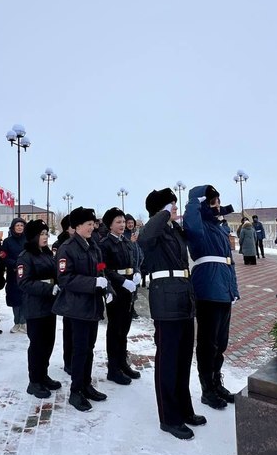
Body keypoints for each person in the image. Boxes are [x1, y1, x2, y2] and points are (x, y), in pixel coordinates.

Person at [140, 188, 206, 440]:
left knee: (182, 358)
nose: (175, 211)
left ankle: (184, 409)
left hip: (183, 297)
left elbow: (196, 232)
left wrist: (195, 207)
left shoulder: (173, 230)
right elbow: (145, 238)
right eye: (172, 207)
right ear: (161, 210)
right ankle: (169, 417)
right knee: (167, 361)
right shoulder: (153, 229)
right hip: (166, 299)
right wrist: (163, 213)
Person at [183, 185, 238, 411]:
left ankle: (216, 382)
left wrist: (232, 290)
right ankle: (207, 390)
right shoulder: (200, 226)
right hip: (207, 288)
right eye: (212, 202)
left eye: (218, 202)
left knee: (221, 341)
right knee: (208, 342)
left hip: (223, 288)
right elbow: (192, 226)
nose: (217, 206)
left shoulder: (218, 227)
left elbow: (228, 261)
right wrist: (194, 200)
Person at [53, 206, 109, 412]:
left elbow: (101, 269)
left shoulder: (93, 245)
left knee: (89, 348)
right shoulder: (67, 248)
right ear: (77, 226)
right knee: (79, 350)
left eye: (93, 224)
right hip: (77, 307)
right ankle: (75, 391)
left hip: (92, 305)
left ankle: (86, 385)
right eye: (88, 224)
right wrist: (93, 283)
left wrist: (107, 287)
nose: (92, 227)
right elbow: (65, 278)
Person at [16, 219, 62, 398]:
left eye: (46, 234)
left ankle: (43, 375)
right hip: (35, 306)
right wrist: (49, 288)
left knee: (48, 342)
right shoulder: (25, 256)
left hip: (49, 305)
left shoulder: (46, 253)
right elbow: (24, 282)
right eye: (41, 234)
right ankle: (34, 381)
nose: (45, 237)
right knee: (37, 344)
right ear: (33, 237)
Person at [99, 207, 141, 386]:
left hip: (129, 290)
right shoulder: (105, 244)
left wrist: (137, 272)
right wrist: (121, 281)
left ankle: (123, 363)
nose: (122, 225)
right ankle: (113, 368)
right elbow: (104, 268)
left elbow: (135, 260)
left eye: (123, 222)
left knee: (124, 329)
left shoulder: (126, 242)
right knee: (115, 330)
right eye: (118, 222)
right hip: (116, 290)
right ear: (110, 225)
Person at [51, 215, 74, 373]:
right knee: (70, 329)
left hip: (81, 294)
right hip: (67, 291)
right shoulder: (60, 245)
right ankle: (69, 361)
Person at [2, 217, 27, 333]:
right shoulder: (7, 241)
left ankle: (24, 322)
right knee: (15, 299)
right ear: (13, 227)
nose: (20, 228)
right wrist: (15, 264)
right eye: (17, 226)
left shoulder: (28, 240)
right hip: (13, 274)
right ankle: (17, 322)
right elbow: (3, 257)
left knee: (25, 298)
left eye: (21, 225)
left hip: (26, 273)